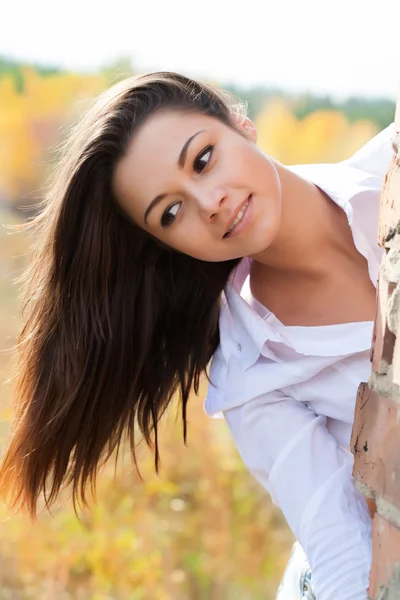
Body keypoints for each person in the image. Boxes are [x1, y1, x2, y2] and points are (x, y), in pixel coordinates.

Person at [0, 71, 394, 600]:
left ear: (240, 124)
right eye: (170, 211)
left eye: (203, 159)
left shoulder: (389, 167)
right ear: (168, 244)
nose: (208, 202)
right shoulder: (254, 374)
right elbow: (341, 547)